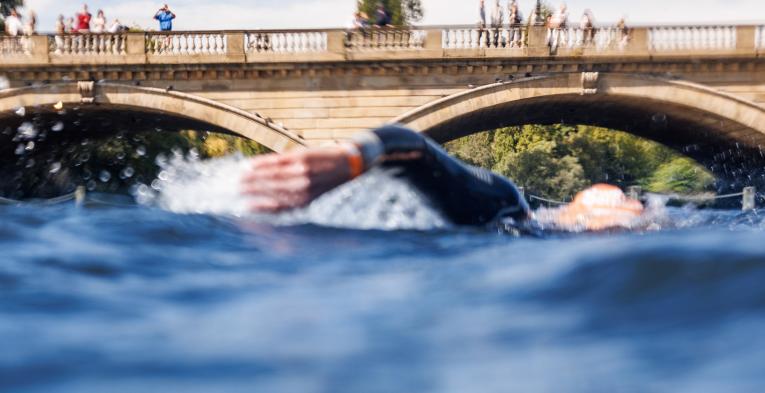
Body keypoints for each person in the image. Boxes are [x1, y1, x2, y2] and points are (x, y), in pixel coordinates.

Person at [240, 125, 645, 232]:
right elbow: (413, 146)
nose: (623, 207)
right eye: (608, 198)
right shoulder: (503, 204)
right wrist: (351, 157)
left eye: (630, 206)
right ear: (574, 202)